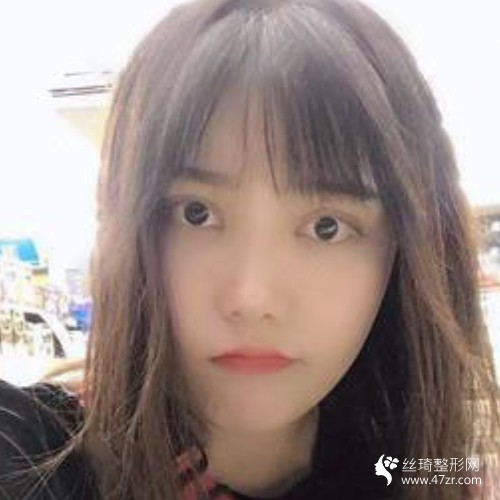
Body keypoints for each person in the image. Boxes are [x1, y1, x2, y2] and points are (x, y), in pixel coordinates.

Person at [1, 0, 499, 498]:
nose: (251, 297)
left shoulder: (422, 467)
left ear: (405, 254)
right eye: (196, 213)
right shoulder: (32, 455)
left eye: (326, 227)